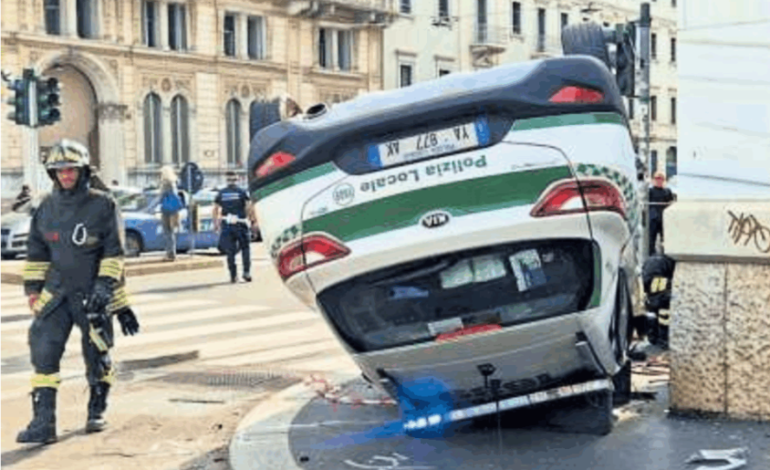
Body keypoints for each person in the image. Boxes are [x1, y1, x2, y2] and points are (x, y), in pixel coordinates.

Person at [17, 139, 140, 444]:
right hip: (55, 296)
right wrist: (33, 290)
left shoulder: (103, 204)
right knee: (43, 353)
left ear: (83, 170)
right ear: (52, 173)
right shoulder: (45, 207)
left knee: (97, 354)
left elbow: (114, 253)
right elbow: (36, 252)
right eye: (60, 170)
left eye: (71, 169)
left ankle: (96, 409)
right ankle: (43, 423)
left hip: (92, 296)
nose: (66, 175)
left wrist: (110, 293)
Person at [213, 171, 257, 283]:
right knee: (245, 249)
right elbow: (249, 208)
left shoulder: (221, 193)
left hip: (227, 225)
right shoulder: (242, 192)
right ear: (237, 180)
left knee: (230, 251)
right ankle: (246, 272)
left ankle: (233, 275)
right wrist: (253, 222)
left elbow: (215, 209)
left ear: (227, 180)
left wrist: (216, 224)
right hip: (241, 224)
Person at [648, 171, 676, 255]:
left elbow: (671, 203)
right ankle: (651, 254)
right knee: (651, 238)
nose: (659, 181)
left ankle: (666, 254)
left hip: (664, 218)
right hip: (653, 218)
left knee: (665, 238)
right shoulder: (650, 191)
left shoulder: (667, 191)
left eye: (661, 179)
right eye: (657, 179)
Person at [159, 166, 183, 261]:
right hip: (174, 210)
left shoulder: (166, 184)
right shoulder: (174, 182)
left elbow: (161, 197)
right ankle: (172, 253)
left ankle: (170, 253)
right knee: (171, 231)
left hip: (166, 210)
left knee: (167, 232)